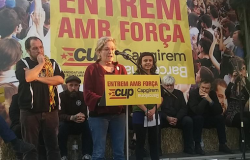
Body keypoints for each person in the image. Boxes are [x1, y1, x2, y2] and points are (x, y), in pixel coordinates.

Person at [15, 36, 64, 160]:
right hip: (30, 112)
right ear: (28, 50)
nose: (39, 51)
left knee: (53, 147)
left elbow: (59, 79)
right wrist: (41, 64)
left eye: (41, 47)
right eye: (35, 48)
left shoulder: (52, 63)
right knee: (31, 148)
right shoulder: (23, 63)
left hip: (50, 111)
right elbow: (27, 78)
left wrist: (37, 78)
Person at [83, 36, 127, 160]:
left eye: (112, 49)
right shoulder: (91, 69)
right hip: (98, 116)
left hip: (118, 115)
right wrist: (103, 99)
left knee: (119, 153)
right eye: (106, 49)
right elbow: (87, 93)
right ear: (99, 52)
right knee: (99, 153)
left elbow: (127, 90)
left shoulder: (121, 69)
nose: (110, 52)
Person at [188, 79, 232, 155]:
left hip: (208, 118)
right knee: (199, 118)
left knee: (220, 118)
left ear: (210, 88)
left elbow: (219, 111)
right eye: (203, 88)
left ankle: (222, 144)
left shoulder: (212, 94)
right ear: (199, 87)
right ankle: (197, 145)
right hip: (196, 119)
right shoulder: (193, 93)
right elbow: (197, 111)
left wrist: (210, 100)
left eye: (207, 88)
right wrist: (205, 100)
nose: (204, 90)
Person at [132, 52, 162, 160]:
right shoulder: (135, 76)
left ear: (153, 63)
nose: (148, 62)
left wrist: (153, 110)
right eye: (145, 60)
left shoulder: (156, 77)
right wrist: (145, 110)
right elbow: (134, 97)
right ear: (140, 63)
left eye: (150, 60)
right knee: (140, 142)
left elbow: (161, 97)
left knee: (154, 142)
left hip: (154, 112)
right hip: (139, 112)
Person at [59, 75, 92, 160]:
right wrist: (71, 117)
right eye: (71, 85)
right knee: (61, 127)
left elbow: (85, 111)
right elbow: (60, 115)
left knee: (88, 125)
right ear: (66, 86)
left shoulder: (82, 95)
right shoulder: (61, 96)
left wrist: (83, 116)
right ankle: (63, 155)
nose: (73, 88)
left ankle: (86, 154)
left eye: (76, 85)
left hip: (79, 122)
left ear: (79, 86)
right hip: (66, 123)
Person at [159, 75, 194, 155]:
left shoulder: (179, 93)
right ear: (163, 85)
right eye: (167, 85)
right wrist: (167, 117)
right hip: (164, 119)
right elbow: (158, 110)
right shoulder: (159, 94)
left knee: (188, 120)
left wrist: (177, 118)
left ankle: (188, 148)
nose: (169, 87)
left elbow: (184, 108)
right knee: (157, 121)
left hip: (177, 119)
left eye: (171, 85)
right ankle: (158, 150)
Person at [224, 57, 250, 150]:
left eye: (244, 68)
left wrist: (244, 81)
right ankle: (243, 144)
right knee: (245, 121)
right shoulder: (232, 84)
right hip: (231, 114)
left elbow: (247, 96)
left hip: (241, 112)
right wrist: (233, 79)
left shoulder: (247, 84)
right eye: (242, 69)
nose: (244, 71)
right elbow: (227, 93)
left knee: (247, 117)